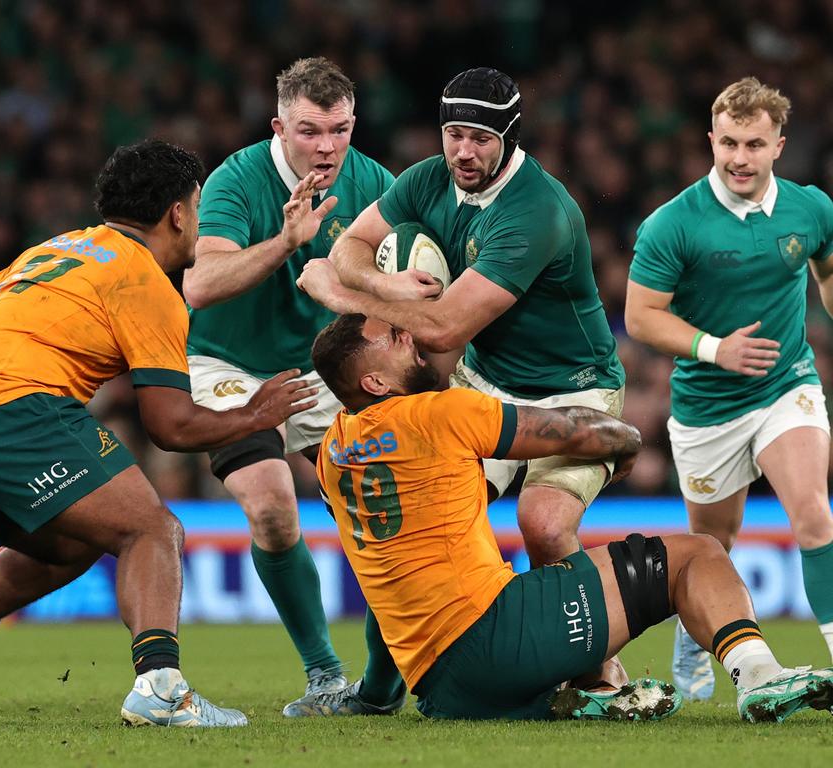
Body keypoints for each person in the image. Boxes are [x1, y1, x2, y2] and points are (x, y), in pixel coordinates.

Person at [0, 140, 317, 728]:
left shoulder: (58, 248)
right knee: (153, 529)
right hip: (11, 415)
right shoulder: (148, 283)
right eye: (198, 204)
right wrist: (256, 415)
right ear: (179, 213)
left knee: (75, 542)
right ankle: (160, 686)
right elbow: (170, 426)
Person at [305, 312, 833, 723]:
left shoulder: (332, 452)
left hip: (440, 686)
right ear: (375, 383)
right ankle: (759, 676)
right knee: (698, 555)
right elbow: (573, 429)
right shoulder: (437, 413)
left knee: (552, 582)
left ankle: (586, 695)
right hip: (494, 635)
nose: (408, 336)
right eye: (394, 337)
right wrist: (628, 442)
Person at [297, 66, 630, 693]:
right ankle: (379, 691)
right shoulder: (428, 179)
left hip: (574, 387)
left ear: (508, 136)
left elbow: (445, 329)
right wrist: (379, 283)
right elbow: (349, 247)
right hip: (487, 384)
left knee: (544, 525)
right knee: (416, 507)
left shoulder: (536, 211)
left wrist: (340, 296)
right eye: (453, 133)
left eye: (480, 138)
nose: (463, 151)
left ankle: (598, 672)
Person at [180, 57, 395, 714]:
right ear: (279, 125)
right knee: (272, 508)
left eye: (339, 129)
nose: (327, 147)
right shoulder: (237, 181)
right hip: (227, 364)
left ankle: (387, 685)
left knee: (381, 517)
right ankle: (324, 675)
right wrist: (286, 240)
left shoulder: (377, 182)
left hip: (323, 366)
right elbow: (200, 285)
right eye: (309, 131)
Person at [626, 77, 833, 701]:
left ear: (779, 147)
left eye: (755, 145)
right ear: (710, 141)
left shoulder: (812, 208)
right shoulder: (673, 224)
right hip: (707, 407)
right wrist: (718, 348)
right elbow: (640, 317)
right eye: (729, 144)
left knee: (814, 516)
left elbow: (826, 267)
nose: (740, 158)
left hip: (785, 384)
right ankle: (695, 638)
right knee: (711, 546)